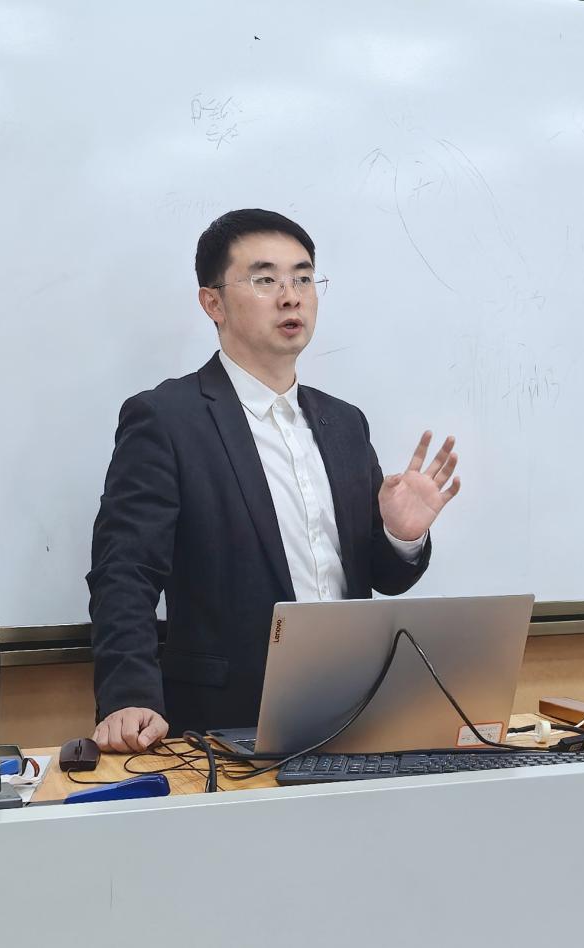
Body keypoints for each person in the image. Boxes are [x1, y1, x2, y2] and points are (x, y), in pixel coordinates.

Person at [87, 209, 461, 752]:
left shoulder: (344, 424)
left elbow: (382, 577)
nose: (291, 297)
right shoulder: (167, 419)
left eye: (303, 279)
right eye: (265, 280)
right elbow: (125, 572)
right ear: (212, 302)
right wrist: (128, 696)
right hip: (226, 725)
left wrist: (400, 536)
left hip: (358, 713)